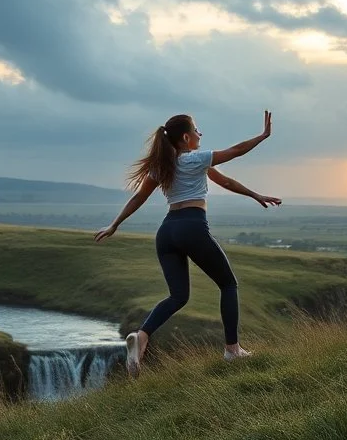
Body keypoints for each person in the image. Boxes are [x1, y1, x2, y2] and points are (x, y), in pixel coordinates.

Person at [95, 111, 281, 377]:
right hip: (191, 226)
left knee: (178, 296)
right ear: (186, 137)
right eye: (196, 130)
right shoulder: (196, 159)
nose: (200, 134)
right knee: (228, 284)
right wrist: (263, 136)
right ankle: (232, 350)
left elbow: (140, 197)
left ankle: (142, 336)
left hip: (167, 232)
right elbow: (237, 150)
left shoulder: (163, 166)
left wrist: (115, 224)